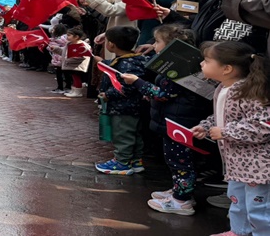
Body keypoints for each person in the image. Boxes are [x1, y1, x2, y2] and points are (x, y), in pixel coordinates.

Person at [121, 25, 210, 215]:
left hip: (179, 123)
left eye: (158, 41)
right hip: (177, 120)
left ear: (171, 46)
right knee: (178, 160)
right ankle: (181, 190)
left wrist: (137, 82)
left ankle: (182, 200)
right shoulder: (181, 64)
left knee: (180, 162)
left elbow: (164, 93)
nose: (154, 45)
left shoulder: (179, 68)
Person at [192, 41, 270, 236]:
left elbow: (264, 124)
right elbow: (222, 116)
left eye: (207, 60)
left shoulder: (249, 92)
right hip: (236, 163)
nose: (202, 64)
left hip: (258, 166)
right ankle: (239, 231)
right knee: (236, 199)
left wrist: (225, 132)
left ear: (227, 68)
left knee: (258, 208)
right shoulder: (223, 88)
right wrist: (207, 126)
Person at [94, 26, 149, 174]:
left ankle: (122, 162)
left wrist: (108, 95)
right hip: (136, 107)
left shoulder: (125, 63)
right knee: (135, 134)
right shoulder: (136, 60)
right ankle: (136, 161)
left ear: (111, 44)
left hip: (123, 108)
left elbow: (126, 87)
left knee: (123, 135)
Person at [62, 27, 92, 97]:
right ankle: (74, 90)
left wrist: (69, 60)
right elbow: (64, 52)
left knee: (76, 77)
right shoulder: (69, 44)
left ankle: (78, 91)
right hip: (70, 64)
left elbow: (83, 57)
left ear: (76, 37)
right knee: (74, 77)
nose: (67, 37)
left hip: (77, 65)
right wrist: (56, 49)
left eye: (69, 35)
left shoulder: (82, 46)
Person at [46, 24, 68, 94]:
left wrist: (49, 45)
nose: (52, 30)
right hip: (65, 57)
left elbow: (52, 48)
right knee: (66, 73)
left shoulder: (57, 39)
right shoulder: (66, 38)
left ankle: (60, 87)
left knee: (59, 73)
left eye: (54, 29)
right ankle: (68, 87)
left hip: (58, 58)